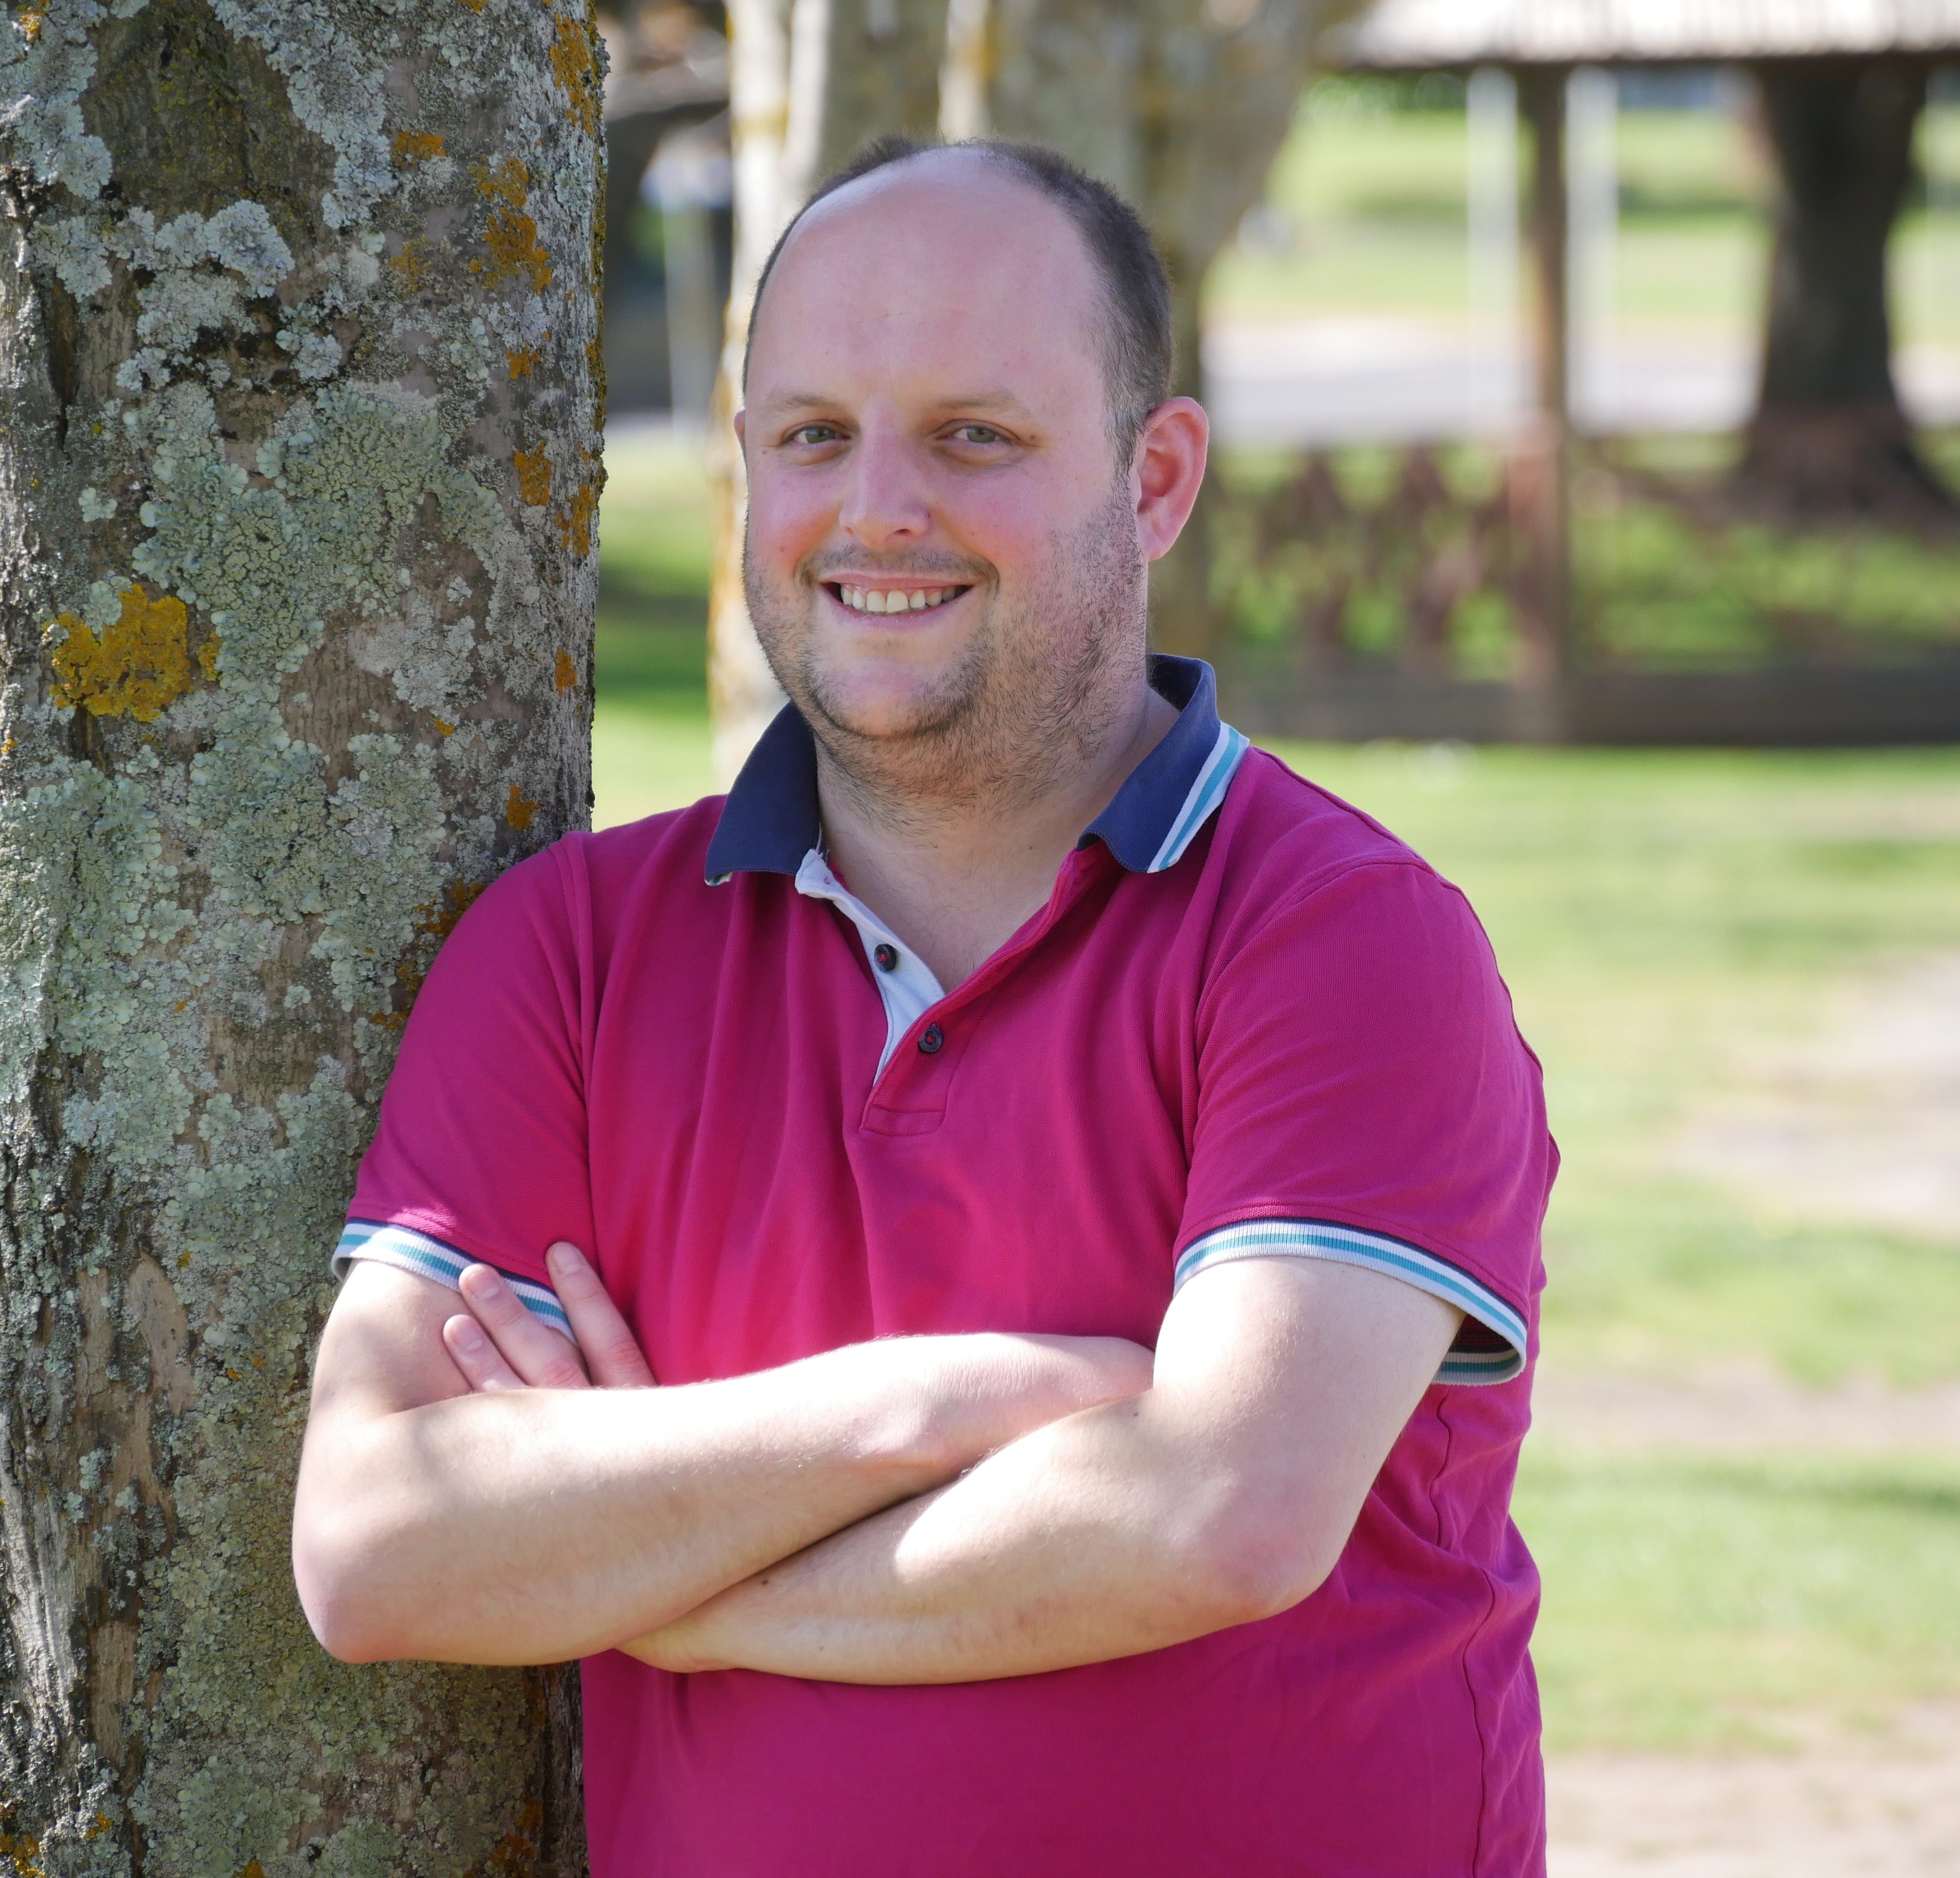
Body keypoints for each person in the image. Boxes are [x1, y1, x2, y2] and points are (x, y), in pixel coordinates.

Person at [293, 135, 1554, 1875]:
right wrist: (939, 1405)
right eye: (812, 434)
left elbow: (1213, 1513)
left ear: (1157, 476)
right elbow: (376, 1549)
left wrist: (661, 1571)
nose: (878, 507)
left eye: (977, 436)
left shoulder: (1346, 943)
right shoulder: (568, 954)